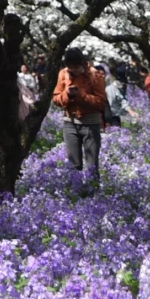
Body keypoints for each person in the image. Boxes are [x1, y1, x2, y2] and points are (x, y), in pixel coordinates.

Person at [52, 47, 105, 194]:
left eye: (76, 67)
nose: (74, 71)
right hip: (70, 124)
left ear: (82, 63)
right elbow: (56, 98)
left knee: (92, 165)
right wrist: (67, 95)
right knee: (74, 165)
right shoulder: (63, 74)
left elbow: (101, 103)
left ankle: (94, 197)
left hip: (91, 124)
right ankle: (76, 196)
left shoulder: (95, 75)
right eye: (71, 68)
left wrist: (80, 95)